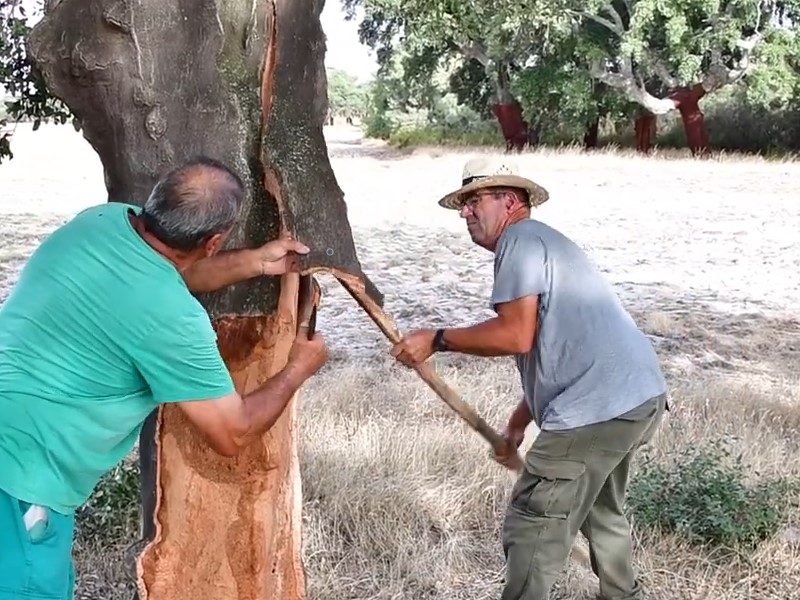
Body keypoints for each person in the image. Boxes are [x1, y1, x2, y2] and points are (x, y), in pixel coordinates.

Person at [0, 156, 328, 600]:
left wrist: (254, 263)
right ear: (212, 241)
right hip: (20, 481)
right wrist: (297, 369)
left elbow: (164, 272)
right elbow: (232, 432)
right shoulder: (172, 319)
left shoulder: (99, 223)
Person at [390, 156, 669, 600]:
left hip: (598, 405)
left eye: (474, 200)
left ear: (510, 200)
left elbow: (515, 335)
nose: (465, 213)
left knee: (533, 521)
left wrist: (437, 339)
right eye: (463, 204)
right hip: (637, 396)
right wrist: (518, 424)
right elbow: (555, 347)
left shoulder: (519, 241)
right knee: (601, 512)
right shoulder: (544, 242)